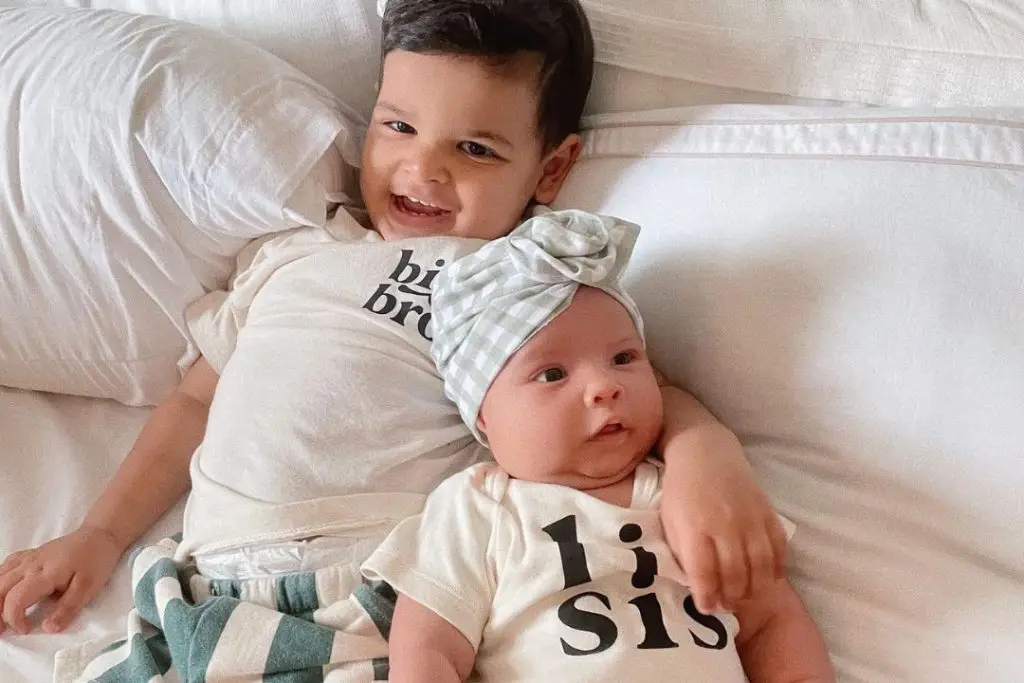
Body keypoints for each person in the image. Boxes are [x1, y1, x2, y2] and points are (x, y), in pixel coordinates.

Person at [0, 0, 784, 640]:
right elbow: (194, 403)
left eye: (474, 148)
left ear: (551, 170)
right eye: (398, 127)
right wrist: (100, 536)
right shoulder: (293, 252)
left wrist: (706, 456)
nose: (423, 168)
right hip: (203, 586)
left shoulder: (525, 279)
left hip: (385, 590)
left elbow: (630, 387)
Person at [363, 210, 834, 683]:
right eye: (552, 374)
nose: (605, 386)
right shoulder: (480, 508)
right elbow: (428, 649)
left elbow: (771, 624)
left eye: (624, 357)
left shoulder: (689, 494)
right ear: (483, 415)